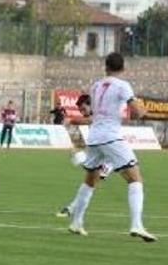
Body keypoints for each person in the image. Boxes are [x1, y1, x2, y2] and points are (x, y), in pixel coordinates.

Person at [64, 53, 156, 241]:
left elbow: (97, 114)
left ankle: (76, 222)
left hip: (94, 137)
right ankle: (136, 225)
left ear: (105, 67)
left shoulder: (95, 86)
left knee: (90, 180)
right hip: (110, 137)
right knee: (135, 179)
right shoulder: (123, 85)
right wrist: (143, 110)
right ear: (123, 68)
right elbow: (137, 112)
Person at [56, 93, 114, 218]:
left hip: (111, 155)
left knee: (134, 181)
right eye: (80, 110)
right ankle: (72, 210)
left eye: (83, 109)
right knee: (90, 183)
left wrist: (70, 120)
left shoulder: (99, 114)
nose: (82, 112)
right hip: (105, 155)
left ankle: (72, 210)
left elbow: (88, 120)